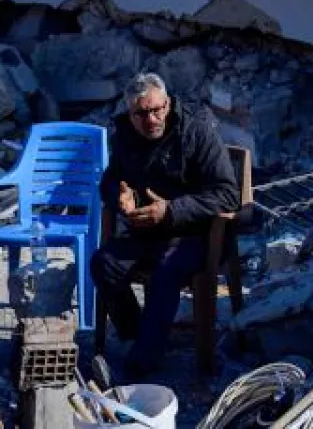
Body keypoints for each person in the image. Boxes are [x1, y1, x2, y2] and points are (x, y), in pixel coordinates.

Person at [92, 72, 239, 379]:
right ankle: (139, 334)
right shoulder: (127, 136)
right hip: (147, 232)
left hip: (194, 234)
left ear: (168, 103)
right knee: (103, 263)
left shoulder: (197, 131)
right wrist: (121, 197)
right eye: (142, 114)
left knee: (165, 272)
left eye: (157, 110)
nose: (151, 119)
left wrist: (172, 211)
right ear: (130, 114)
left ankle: (141, 365)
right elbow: (109, 180)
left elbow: (227, 194)